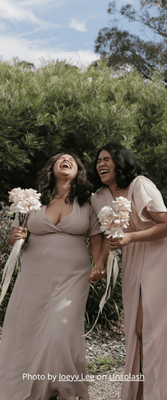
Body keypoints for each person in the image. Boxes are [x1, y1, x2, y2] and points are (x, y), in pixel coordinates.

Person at [0, 153, 102, 400]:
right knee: (28, 333)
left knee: (61, 332)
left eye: (72, 159)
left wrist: (99, 263)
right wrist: (14, 239)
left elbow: (97, 237)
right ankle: (37, 389)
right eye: (60, 158)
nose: (66, 160)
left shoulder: (87, 203)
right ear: (51, 168)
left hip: (72, 279)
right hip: (34, 279)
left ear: (78, 170)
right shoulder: (32, 201)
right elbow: (15, 239)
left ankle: (64, 388)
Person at [88, 143, 167, 400]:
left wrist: (130, 238)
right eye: (98, 161)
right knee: (136, 331)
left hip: (157, 256)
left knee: (148, 328)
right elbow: (109, 236)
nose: (101, 164)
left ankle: (159, 392)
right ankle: (139, 392)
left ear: (120, 162)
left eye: (107, 159)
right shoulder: (99, 197)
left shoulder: (140, 185)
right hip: (131, 258)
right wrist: (99, 264)